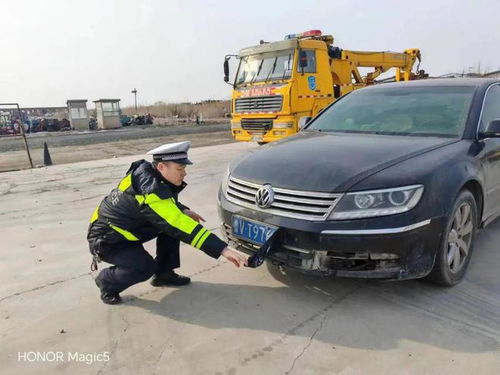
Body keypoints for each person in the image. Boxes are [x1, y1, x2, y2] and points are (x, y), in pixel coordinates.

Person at [87, 141, 248, 304]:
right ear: (162, 167)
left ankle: (164, 274)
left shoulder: (147, 176)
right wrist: (222, 249)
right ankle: (106, 282)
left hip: (126, 230)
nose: (184, 173)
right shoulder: (150, 191)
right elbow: (173, 219)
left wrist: (182, 209)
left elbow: (161, 204)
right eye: (179, 169)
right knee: (144, 267)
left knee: (171, 227)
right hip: (108, 240)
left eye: (184, 168)